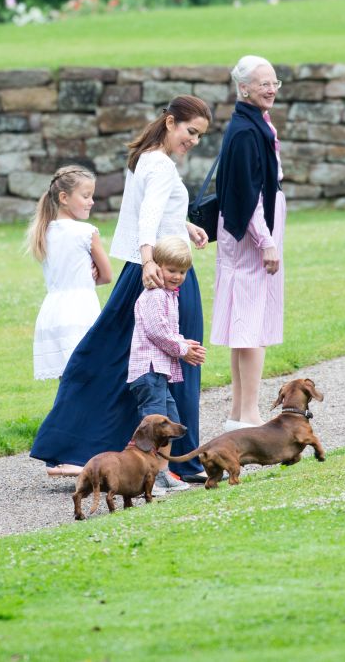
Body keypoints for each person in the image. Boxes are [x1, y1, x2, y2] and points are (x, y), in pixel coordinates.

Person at [30, 95, 211, 482]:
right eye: (190, 132)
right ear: (170, 123)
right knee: (179, 361)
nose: (194, 140)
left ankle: (75, 445)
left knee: (112, 359)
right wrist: (149, 261)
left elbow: (157, 211)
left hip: (143, 267)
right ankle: (181, 463)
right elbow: (147, 217)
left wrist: (185, 226)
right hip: (162, 273)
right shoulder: (159, 164)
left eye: (199, 135)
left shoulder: (145, 158)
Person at [211, 55, 286, 431]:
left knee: (246, 325)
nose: (271, 89)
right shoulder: (245, 131)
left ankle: (239, 414)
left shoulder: (253, 123)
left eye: (275, 82)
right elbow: (251, 193)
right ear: (243, 88)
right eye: (263, 83)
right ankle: (251, 414)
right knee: (250, 325)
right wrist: (266, 241)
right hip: (250, 237)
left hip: (249, 234)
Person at [128, 236, 204, 494]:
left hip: (159, 372)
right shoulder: (155, 295)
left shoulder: (169, 296)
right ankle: (147, 477)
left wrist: (185, 342)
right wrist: (183, 349)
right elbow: (157, 331)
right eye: (172, 270)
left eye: (182, 271)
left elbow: (168, 330)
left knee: (170, 422)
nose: (177, 276)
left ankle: (163, 473)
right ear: (157, 266)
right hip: (148, 371)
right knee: (153, 427)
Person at [27, 165, 112, 380]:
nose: (91, 201)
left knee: (66, 380)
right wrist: (91, 275)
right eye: (85, 196)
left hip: (53, 312)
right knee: (89, 377)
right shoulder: (86, 232)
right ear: (64, 197)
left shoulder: (43, 231)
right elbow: (107, 276)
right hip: (80, 310)